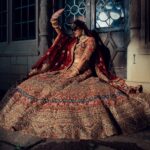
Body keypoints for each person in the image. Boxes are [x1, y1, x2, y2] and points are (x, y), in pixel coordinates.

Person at [0, 9, 149, 139]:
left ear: (81, 28)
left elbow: (86, 58)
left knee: (63, 90)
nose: (74, 32)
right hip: (67, 69)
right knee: (37, 82)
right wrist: (54, 20)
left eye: (76, 29)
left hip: (82, 71)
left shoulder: (90, 41)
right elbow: (59, 33)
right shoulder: (73, 41)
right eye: (72, 30)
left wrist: (75, 72)